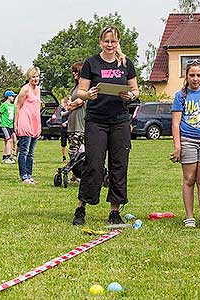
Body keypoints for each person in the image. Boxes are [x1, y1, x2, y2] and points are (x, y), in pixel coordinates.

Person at [72, 26, 139, 225]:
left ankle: (114, 211)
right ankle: (81, 207)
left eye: (113, 41)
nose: (110, 45)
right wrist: (89, 94)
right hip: (96, 120)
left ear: (118, 42)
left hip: (119, 120)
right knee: (93, 164)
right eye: (106, 41)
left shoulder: (126, 63)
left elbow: (135, 90)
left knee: (119, 165)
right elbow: (80, 92)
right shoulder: (91, 63)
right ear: (100, 42)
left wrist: (131, 95)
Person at [171, 58, 200, 229]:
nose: (195, 78)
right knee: (189, 179)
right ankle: (190, 217)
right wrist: (178, 146)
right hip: (188, 140)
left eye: (199, 75)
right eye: (192, 75)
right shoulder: (180, 96)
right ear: (186, 76)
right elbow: (175, 123)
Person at [14, 67, 42, 184]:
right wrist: (16, 123)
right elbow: (18, 106)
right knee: (24, 151)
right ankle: (24, 176)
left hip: (35, 122)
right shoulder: (25, 89)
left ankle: (29, 175)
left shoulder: (38, 90)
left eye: (37, 77)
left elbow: (37, 108)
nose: (35, 79)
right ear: (29, 78)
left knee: (31, 152)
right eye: (33, 77)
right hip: (25, 121)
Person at [66, 62, 85, 182]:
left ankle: (81, 174)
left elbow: (80, 101)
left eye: (76, 72)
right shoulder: (75, 88)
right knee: (73, 150)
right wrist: (71, 105)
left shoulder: (84, 88)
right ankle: (75, 173)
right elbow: (69, 104)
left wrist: (70, 105)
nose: (74, 74)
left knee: (78, 150)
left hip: (80, 124)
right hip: (72, 124)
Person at [58, 97, 69, 162]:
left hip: (69, 128)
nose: (61, 104)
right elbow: (62, 114)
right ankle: (64, 157)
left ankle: (73, 156)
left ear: (65, 103)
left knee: (71, 143)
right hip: (63, 129)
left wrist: (66, 122)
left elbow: (71, 117)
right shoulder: (62, 109)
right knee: (63, 144)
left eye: (61, 102)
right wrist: (69, 111)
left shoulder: (70, 108)